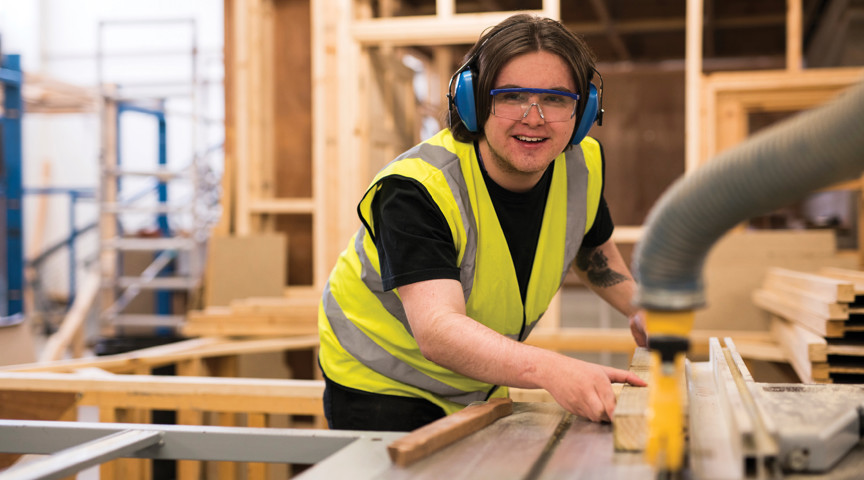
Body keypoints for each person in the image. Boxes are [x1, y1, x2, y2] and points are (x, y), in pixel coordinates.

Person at [317, 13, 647, 432]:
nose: (534, 117)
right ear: (474, 104)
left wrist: (642, 308)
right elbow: (438, 330)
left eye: (556, 99)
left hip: (478, 379)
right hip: (383, 382)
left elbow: (593, 249)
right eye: (511, 96)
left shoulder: (580, 166)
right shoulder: (416, 189)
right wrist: (551, 370)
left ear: (584, 113)